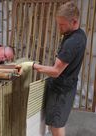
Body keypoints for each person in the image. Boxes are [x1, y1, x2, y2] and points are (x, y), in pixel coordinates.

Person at [19, 2, 86, 136]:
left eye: (62, 25)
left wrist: (32, 65)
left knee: (56, 126)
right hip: (66, 86)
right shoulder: (79, 34)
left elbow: (56, 71)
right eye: (58, 24)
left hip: (61, 91)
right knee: (55, 123)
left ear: (74, 22)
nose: (59, 28)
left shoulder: (72, 43)